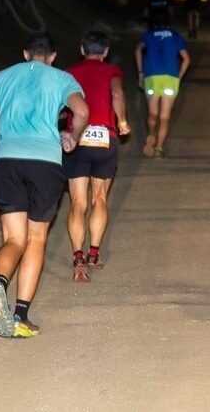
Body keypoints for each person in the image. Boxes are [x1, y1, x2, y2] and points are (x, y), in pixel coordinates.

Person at [0, 31, 89, 339]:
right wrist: (72, 136)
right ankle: (20, 315)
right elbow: (82, 111)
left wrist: (4, 140)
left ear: (26, 54)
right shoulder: (62, 79)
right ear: (52, 56)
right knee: (36, 238)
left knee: (13, 238)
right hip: (45, 163)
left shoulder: (5, 76)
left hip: (7, 163)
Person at [64, 29, 130, 282]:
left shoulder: (68, 73)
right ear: (106, 51)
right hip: (105, 137)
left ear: (82, 49)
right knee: (99, 198)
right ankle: (93, 253)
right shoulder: (112, 71)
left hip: (78, 138)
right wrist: (122, 121)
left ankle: (77, 257)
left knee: (77, 202)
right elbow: (117, 94)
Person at [134, 12, 190, 158]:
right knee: (165, 117)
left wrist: (140, 72)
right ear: (169, 24)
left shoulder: (148, 35)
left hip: (151, 77)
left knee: (152, 112)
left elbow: (138, 50)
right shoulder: (176, 36)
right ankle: (159, 147)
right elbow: (186, 60)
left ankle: (151, 134)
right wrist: (178, 77)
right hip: (170, 78)